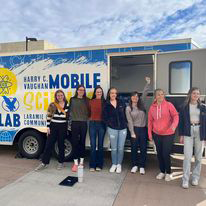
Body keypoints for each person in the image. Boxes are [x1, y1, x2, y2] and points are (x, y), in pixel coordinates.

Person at [148, 88, 179, 181]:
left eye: (162, 94)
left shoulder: (169, 105)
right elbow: (150, 121)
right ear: (155, 96)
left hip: (168, 134)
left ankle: (168, 172)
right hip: (156, 134)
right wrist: (149, 134)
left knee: (166, 153)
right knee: (159, 153)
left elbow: (176, 116)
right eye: (158, 94)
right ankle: (162, 171)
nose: (160, 96)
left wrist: (173, 126)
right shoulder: (152, 108)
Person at [35, 90, 69, 171]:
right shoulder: (52, 105)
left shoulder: (67, 105)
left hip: (63, 126)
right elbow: (49, 116)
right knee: (48, 145)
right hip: (53, 126)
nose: (60, 97)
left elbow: (69, 117)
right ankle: (44, 163)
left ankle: (61, 162)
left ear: (63, 96)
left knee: (61, 145)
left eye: (61, 95)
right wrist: (48, 127)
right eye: (58, 95)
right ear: (56, 96)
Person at [179, 87, 206, 189]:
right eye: (194, 93)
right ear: (190, 94)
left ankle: (195, 178)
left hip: (200, 131)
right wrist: (181, 135)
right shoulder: (184, 107)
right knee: (187, 157)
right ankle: (185, 179)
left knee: (198, 157)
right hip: (188, 131)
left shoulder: (203, 107)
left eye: (198, 93)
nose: (196, 95)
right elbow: (181, 123)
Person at [126, 77, 151, 175]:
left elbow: (144, 93)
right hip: (134, 130)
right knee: (134, 148)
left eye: (136, 96)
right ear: (131, 98)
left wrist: (148, 83)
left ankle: (142, 166)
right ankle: (134, 165)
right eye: (133, 96)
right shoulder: (128, 108)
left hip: (143, 129)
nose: (135, 98)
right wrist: (132, 133)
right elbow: (129, 122)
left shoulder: (142, 105)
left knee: (143, 148)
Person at [103, 87, 127, 173]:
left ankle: (119, 164)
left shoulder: (121, 103)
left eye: (115, 93)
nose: (113, 94)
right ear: (109, 94)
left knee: (120, 148)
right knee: (114, 148)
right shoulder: (106, 104)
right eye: (112, 93)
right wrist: (109, 124)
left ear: (116, 94)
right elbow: (104, 117)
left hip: (122, 129)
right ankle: (114, 164)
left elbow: (126, 114)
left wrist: (125, 123)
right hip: (112, 129)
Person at [70, 85, 89, 172]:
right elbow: (69, 111)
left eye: (83, 90)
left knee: (82, 142)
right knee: (74, 142)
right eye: (80, 90)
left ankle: (81, 162)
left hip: (83, 123)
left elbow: (89, 111)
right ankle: (75, 163)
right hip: (74, 123)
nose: (81, 91)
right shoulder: (72, 100)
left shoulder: (87, 100)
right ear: (77, 91)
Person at [89, 86, 106, 172]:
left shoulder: (105, 102)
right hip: (92, 124)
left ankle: (99, 165)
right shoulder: (91, 101)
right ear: (95, 93)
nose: (99, 93)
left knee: (100, 145)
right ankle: (92, 165)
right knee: (93, 145)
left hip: (101, 125)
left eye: (100, 92)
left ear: (102, 93)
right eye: (97, 92)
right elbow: (88, 112)